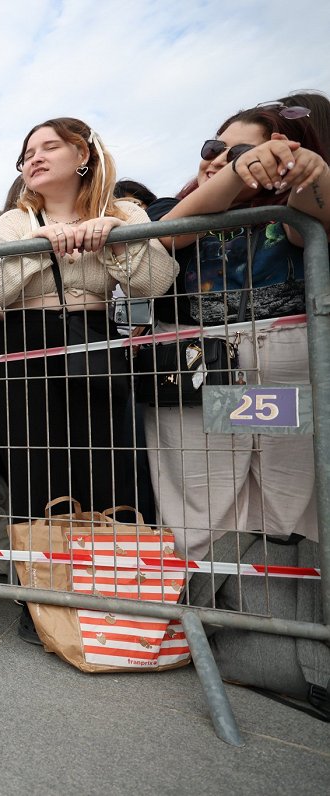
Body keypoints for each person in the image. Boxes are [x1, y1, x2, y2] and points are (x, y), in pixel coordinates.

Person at [144, 102, 328, 561]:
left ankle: (285, 608)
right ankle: (208, 601)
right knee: (204, 490)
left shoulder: (289, 209)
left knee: (284, 489)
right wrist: (237, 168)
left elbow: (314, 223)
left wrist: (308, 171)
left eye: (243, 150)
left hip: (277, 370)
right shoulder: (176, 204)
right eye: (213, 147)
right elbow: (170, 234)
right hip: (204, 371)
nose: (219, 159)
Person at [0, 118, 178, 527]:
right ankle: (40, 581)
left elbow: (155, 282)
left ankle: (105, 571)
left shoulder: (126, 212)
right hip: (23, 339)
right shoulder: (16, 221)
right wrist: (37, 247)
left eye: (48, 148)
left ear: (82, 154)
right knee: (31, 458)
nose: (35, 159)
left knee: (104, 453)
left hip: (95, 333)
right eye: (28, 155)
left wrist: (117, 235)